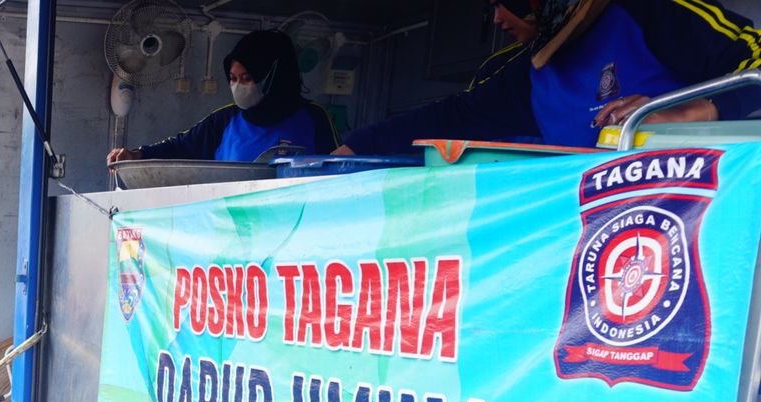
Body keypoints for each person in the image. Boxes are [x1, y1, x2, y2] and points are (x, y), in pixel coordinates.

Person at [337, 0, 761, 154]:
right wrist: (355, 148)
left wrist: (693, 110)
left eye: (505, 2)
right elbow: (451, 118)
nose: (498, 17)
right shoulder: (530, 72)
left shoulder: (648, 12)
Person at [107, 30, 337, 166]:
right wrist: (137, 154)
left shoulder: (314, 118)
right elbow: (181, 147)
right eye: (233, 79)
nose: (238, 86)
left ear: (273, 76)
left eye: (247, 78)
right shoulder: (225, 120)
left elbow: (337, 170)